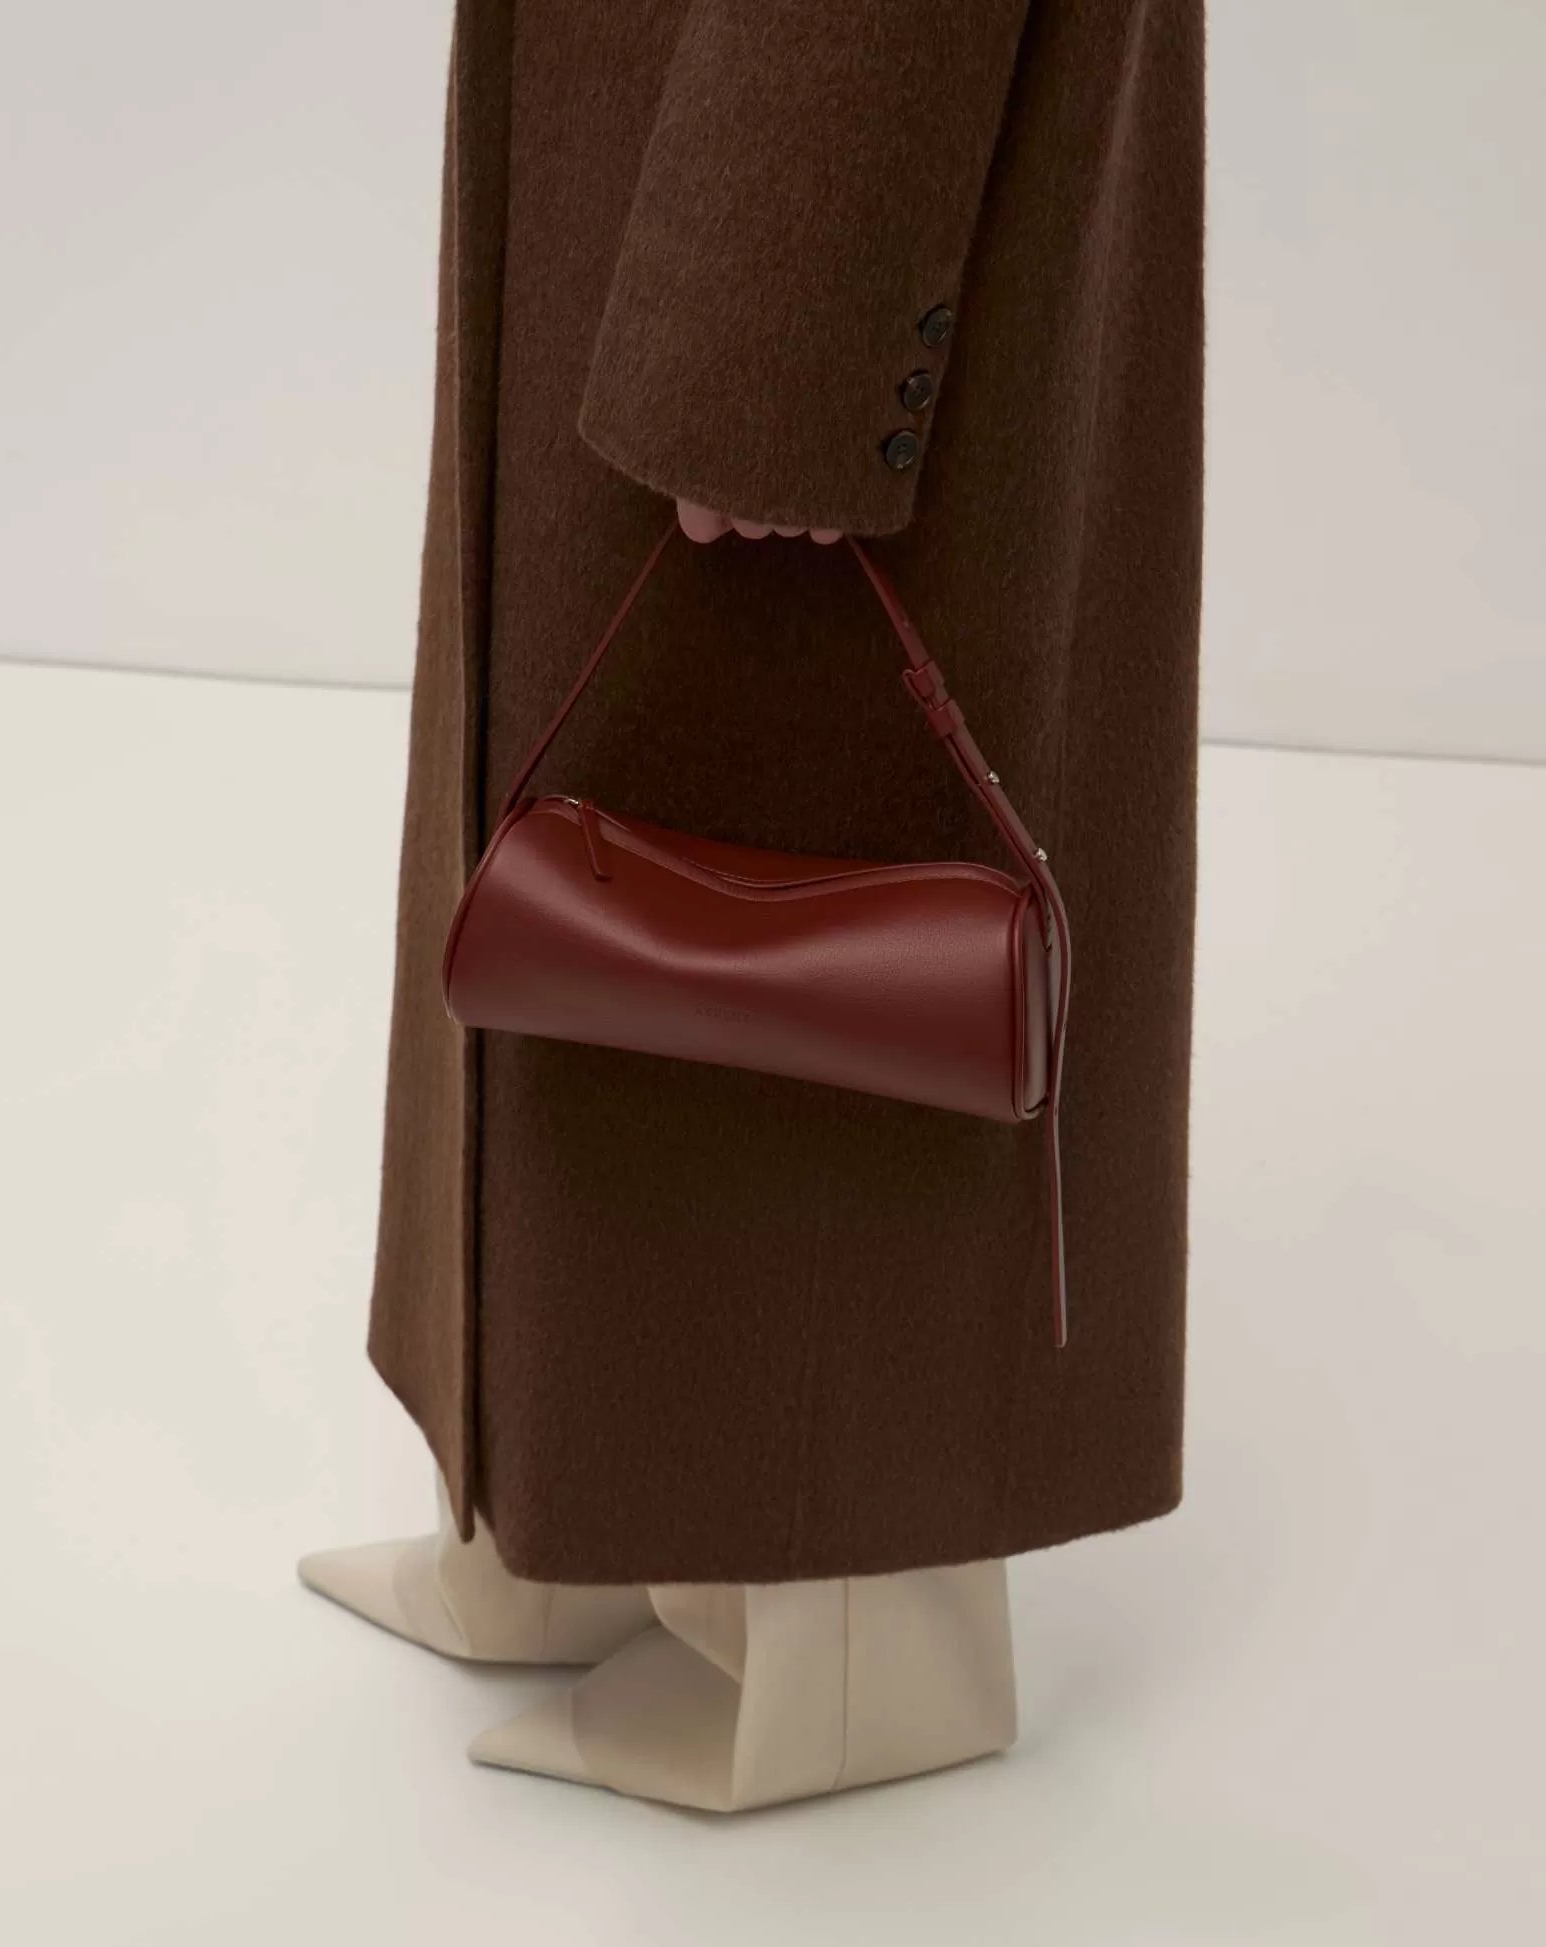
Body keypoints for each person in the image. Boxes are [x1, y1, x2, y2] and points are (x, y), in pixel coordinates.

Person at [301, 0, 1204, 1811]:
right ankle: (574, 1513)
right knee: (599, 816)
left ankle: (848, 1637)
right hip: (665, 108)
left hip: (805, 152)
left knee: (789, 828)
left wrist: (786, 330)